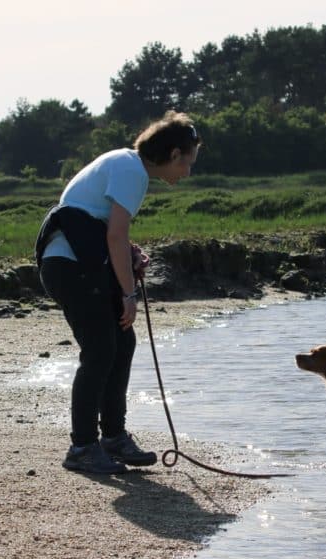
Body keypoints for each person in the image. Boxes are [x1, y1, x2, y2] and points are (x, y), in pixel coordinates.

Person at [35, 111, 201, 474]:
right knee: (100, 350)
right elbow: (113, 236)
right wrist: (128, 295)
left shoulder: (125, 163)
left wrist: (129, 252)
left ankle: (112, 438)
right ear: (174, 154)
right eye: (188, 163)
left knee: (121, 343)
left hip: (77, 263)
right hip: (70, 267)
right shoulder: (132, 172)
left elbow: (102, 225)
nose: (187, 172)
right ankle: (82, 447)